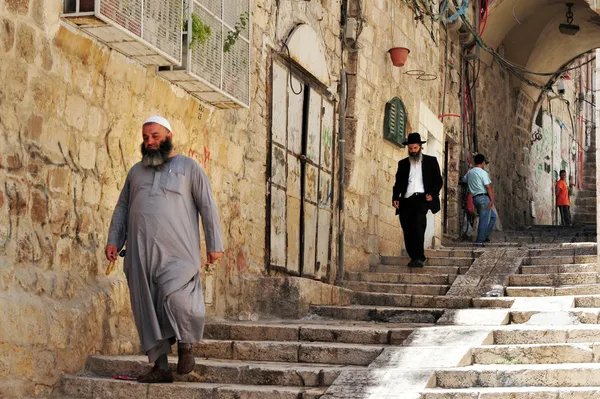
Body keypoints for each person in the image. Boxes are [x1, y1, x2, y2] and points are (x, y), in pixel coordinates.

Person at [105, 116, 224, 384]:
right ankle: (160, 367)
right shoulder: (135, 172)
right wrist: (114, 239)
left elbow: (207, 204)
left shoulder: (189, 167)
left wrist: (214, 244)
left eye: (155, 137)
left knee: (179, 298)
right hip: (140, 254)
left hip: (179, 253)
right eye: (146, 137)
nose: (149, 142)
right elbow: (123, 207)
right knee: (147, 309)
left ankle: (185, 347)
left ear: (168, 136)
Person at [392, 132, 443, 267]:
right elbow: (398, 183)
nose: (413, 151)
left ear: (420, 147)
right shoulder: (402, 164)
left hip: (422, 199)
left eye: (415, 148)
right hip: (406, 200)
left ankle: (419, 257)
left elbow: (438, 181)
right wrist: (396, 197)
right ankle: (413, 256)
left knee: (419, 226)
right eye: (410, 149)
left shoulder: (431, 162)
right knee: (407, 227)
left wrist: (432, 193)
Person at [463, 153, 496, 245]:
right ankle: (480, 240)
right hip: (484, 197)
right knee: (484, 219)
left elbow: (464, 180)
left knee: (493, 216)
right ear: (483, 162)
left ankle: (485, 236)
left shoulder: (470, 172)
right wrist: (492, 199)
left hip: (475, 199)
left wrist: (469, 169)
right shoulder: (483, 172)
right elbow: (488, 186)